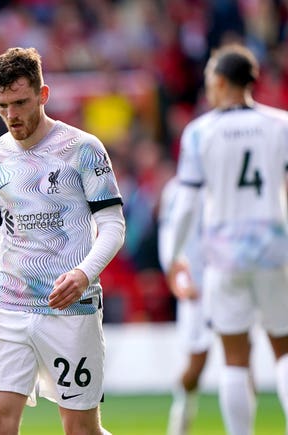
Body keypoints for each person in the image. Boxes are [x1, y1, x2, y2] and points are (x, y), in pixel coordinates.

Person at [0, 47, 125, 435]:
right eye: (1, 105)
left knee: (80, 429)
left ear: (43, 95)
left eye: (20, 102)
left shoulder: (83, 149)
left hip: (70, 306)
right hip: (9, 304)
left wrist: (83, 273)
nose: (11, 115)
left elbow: (112, 224)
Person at [166, 43, 288, 435]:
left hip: (224, 254)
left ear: (219, 82)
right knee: (284, 352)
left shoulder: (201, 132)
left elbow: (185, 205)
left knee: (235, 357)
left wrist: (173, 259)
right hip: (274, 247)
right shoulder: (280, 125)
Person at [158, 176, 213, 435]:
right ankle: (179, 420)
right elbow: (169, 233)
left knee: (240, 358)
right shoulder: (177, 189)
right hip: (196, 284)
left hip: (227, 278)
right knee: (195, 366)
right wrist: (177, 275)